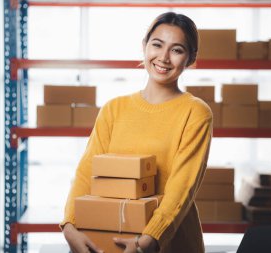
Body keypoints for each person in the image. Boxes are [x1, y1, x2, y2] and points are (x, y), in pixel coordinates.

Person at [60, 12, 212, 253]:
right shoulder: (114, 108)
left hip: (169, 244)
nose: (163, 58)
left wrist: (148, 242)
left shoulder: (195, 113)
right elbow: (86, 172)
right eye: (157, 45)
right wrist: (69, 226)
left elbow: (181, 189)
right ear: (144, 46)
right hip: (109, 239)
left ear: (190, 58)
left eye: (177, 50)